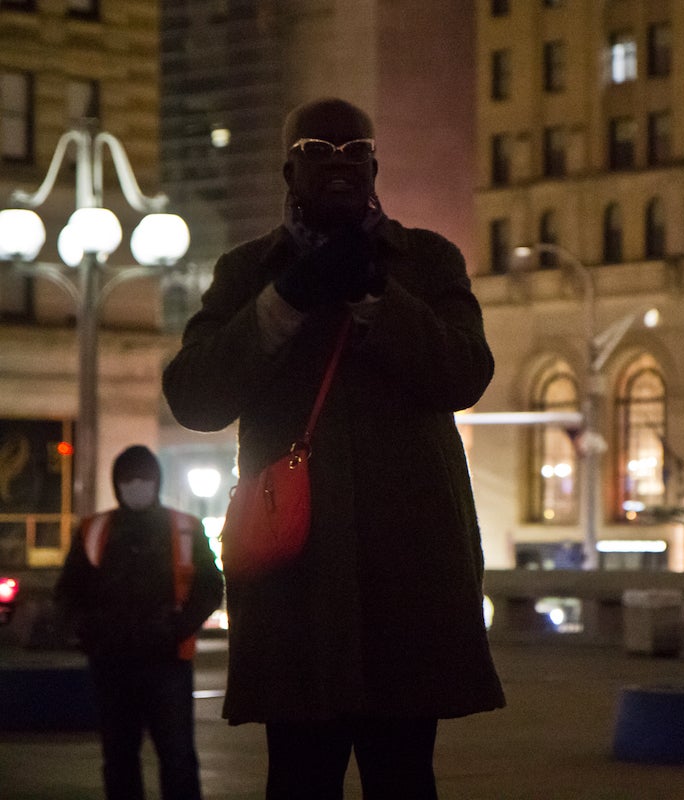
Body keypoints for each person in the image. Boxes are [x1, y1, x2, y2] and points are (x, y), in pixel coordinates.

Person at [161, 97, 504, 799]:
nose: (339, 162)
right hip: (295, 572)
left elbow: (466, 373)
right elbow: (194, 396)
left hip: (407, 571)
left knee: (404, 773)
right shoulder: (247, 271)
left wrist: (380, 293)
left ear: (377, 164)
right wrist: (284, 302)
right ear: (288, 166)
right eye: (319, 148)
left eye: (356, 150)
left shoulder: (427, 261)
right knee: (298, 774)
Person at [55, 444, 224, 800]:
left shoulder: (184, 527)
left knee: (177, 759)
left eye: (143, 477)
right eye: (128, 478)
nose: (136, 484)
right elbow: (68, 593)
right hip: (112, 665)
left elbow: (210, 587)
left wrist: (177, 628)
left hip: (168, 663)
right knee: (119, 760)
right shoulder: (95, 529)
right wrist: (92, 634)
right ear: (117, 482)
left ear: (157, 480)